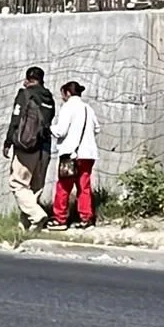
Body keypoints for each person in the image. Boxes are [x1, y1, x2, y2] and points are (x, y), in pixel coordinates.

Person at [3, 66, 55, 231]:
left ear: (28, 79)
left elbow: (16, 119)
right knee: (35, 187)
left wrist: (8, 141)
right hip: (45, 148)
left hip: (27, 147)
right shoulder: (49, 98)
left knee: (17, 183)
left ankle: (37, 215)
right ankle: (26, 225)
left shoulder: (24, 94)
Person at [47, 80, 99, 230]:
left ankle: (60, 219)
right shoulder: (88, 108)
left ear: (67, 93)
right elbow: (97, 128)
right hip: (88, 153)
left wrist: (49, 128)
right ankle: (86, 218)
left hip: (70, 153)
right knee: (84, 186)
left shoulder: (67, 107)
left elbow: (60, 131)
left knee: (64, 186)